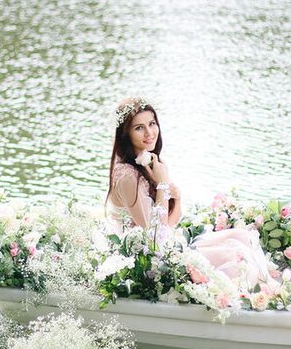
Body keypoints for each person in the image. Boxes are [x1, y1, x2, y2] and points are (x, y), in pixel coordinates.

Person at [106, 97, 271, 287]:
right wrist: (162, 186)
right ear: (126, 135)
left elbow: (171, 221)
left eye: (152, 124)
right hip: (149, 260)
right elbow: (153, 241)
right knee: (235, 257)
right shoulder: (128, 176)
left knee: (242, 236)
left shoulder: (154, 164)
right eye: (139, 128)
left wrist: (177, 196)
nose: (150, 133)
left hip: (168, 242)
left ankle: (265, 287)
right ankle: (244, 298)